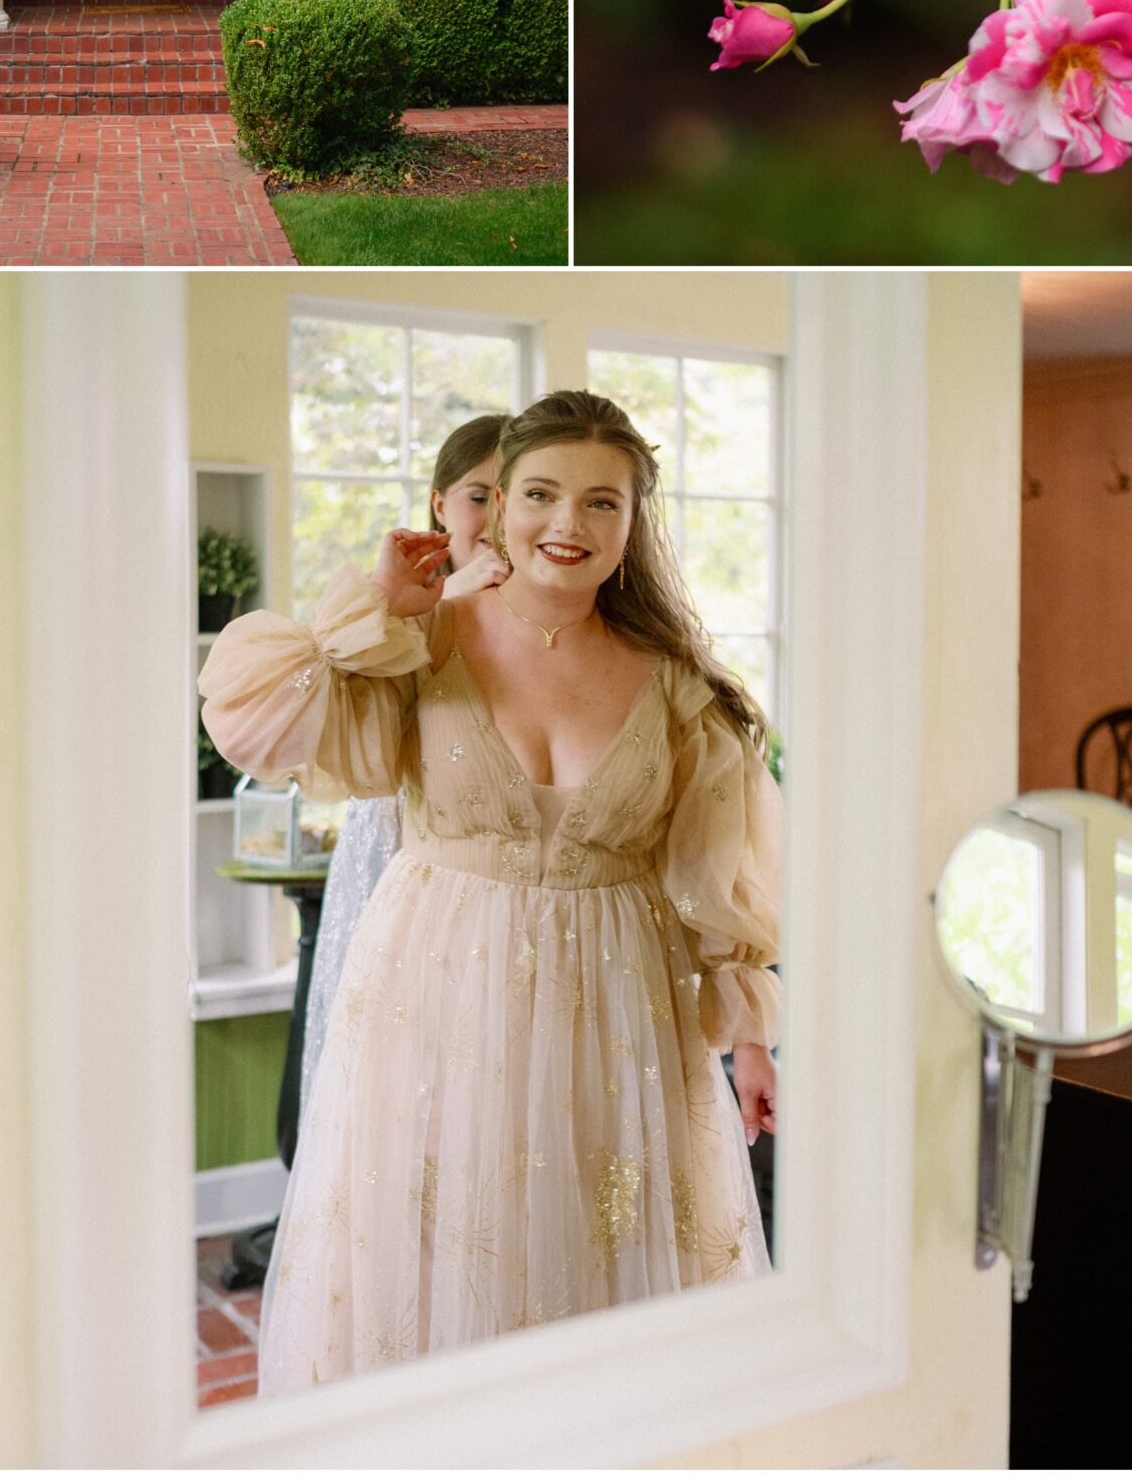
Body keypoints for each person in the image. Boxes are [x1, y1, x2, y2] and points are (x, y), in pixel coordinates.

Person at [198, 388, 781, 1387]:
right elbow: (256, 715)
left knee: (600, 1246)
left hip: (617, 1008)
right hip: (435, 994)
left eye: (602, 501)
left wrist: (752, 1037)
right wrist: (376, 600)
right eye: (542, 494)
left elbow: (710, 869)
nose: (568, 523)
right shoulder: (421, 639)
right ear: (496, 506)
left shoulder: (679, 678)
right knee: (433, 1251)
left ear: (634, 523)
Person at [299, 414, 509, 1113]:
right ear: (438, 504)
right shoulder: (388, 604)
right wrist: (447, 596)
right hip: (399, 847)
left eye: (519, 494)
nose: (498, 514)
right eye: (480, 494)